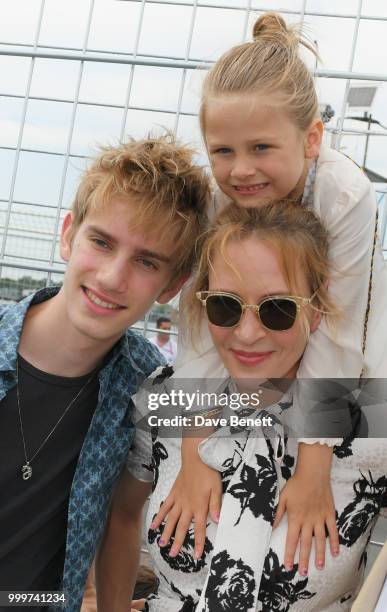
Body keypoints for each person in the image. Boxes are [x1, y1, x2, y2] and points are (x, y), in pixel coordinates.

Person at [151, 10, 387, 575]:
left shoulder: (345, 195)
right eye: (222, 151)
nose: (239, 171)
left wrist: (312, 470)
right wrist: (193, 450)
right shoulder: (217, 197)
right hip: (251, 372)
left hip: (339, 373)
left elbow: (339, 335)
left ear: (311, 139)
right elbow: (199, 326)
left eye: (261, 147)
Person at [126, 202, 387, 611]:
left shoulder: (373, 419)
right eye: (225, 306)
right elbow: (116, 520)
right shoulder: (167, 400)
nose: (247, 334)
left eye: (278, 309)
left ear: (315, 312)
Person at [0, 133, 210, 612]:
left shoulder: (149, 383)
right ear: (68, 234)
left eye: (146, 261)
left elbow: (264, 410)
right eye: (101, 242)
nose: (113, 278)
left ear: (172, 284)